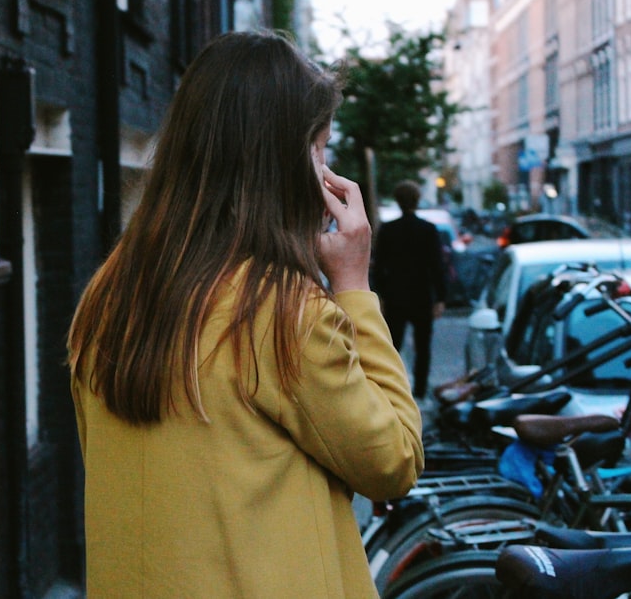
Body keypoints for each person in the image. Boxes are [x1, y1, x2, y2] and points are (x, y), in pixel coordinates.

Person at [67, 31, 423, 598]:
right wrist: (354, 283)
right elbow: (396, 460)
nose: (327, 169)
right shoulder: (281, 312)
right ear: (289, 159)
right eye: (322, 147)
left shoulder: (109, 293)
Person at [372, 180, 447, 400]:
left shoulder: (388, 230)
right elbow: (437, 266)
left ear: (397, 201)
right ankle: (421, 390)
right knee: (423, 347)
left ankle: (394, 388)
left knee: (393, 345)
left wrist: (381, 294)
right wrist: (441, 297)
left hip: (395, 295)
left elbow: (379, 266)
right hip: (422, 295)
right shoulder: (428, 230)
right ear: (417, 199)